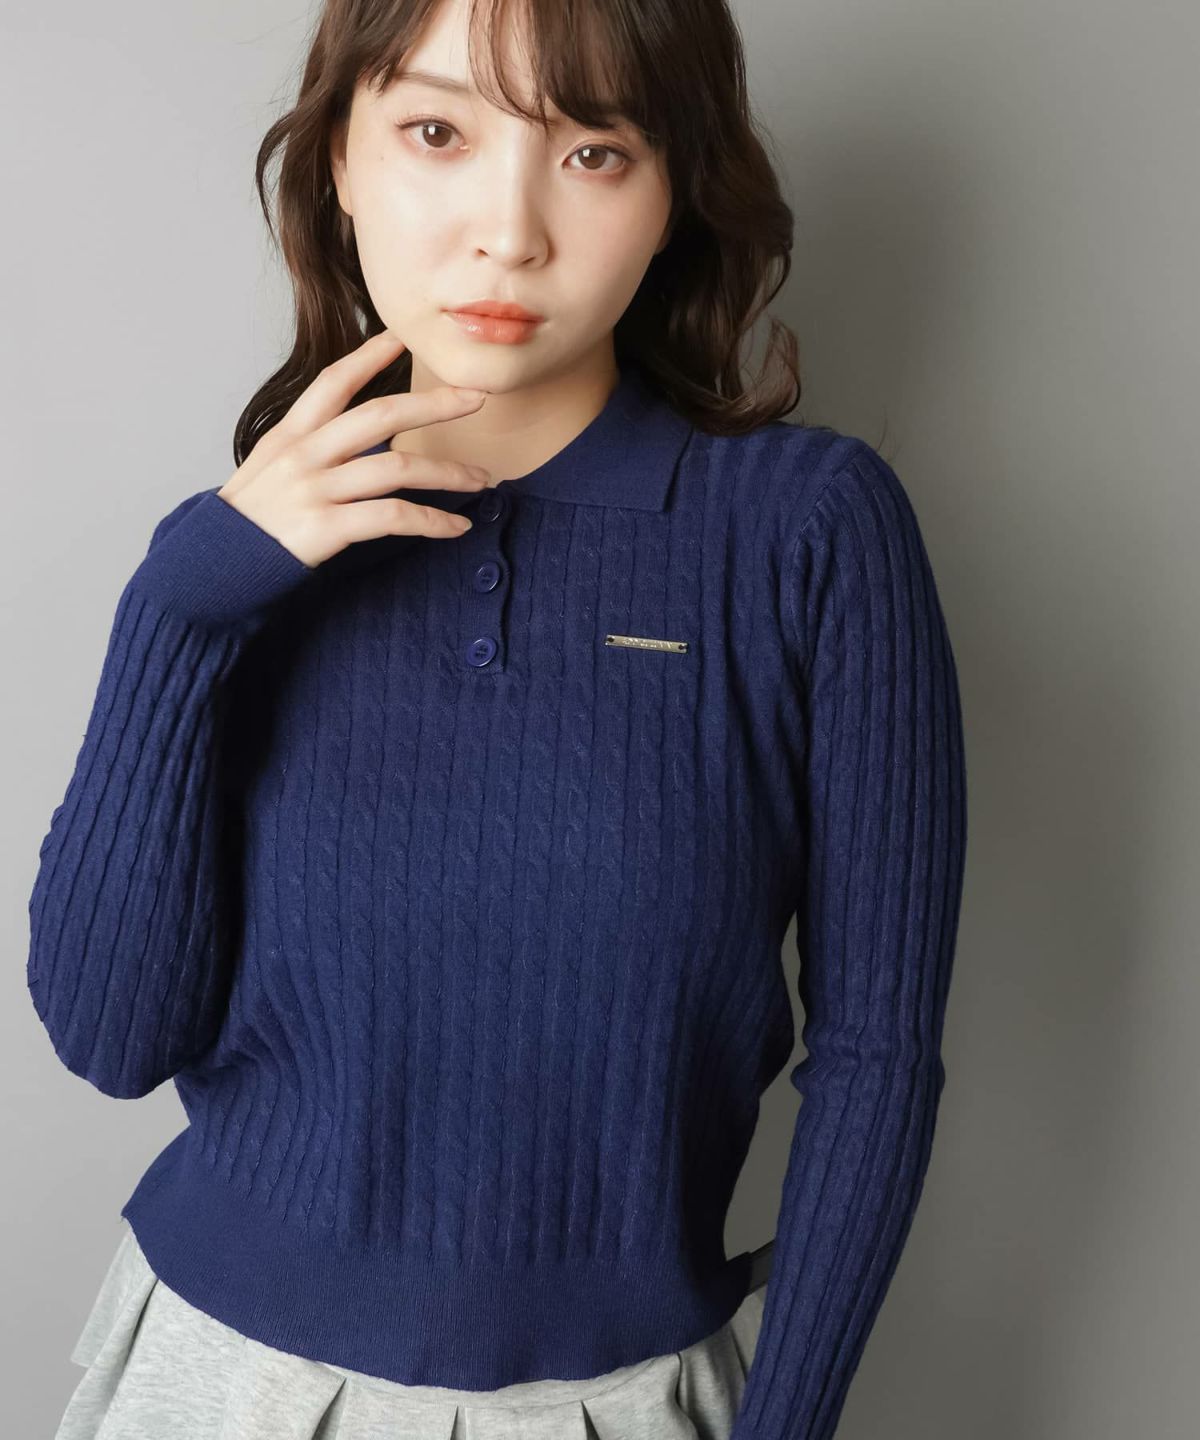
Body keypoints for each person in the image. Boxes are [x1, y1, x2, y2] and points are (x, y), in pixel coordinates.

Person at [28, 0, 968, 1436]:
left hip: (608, 1400)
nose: (509, 232)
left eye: (594, 153)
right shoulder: (230, 561)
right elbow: (110, 1040)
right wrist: (179, 612)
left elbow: (876, 1056)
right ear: (339, 163)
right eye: (435, 132)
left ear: (674, 192)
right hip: (214, 1381)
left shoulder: (808, 531)